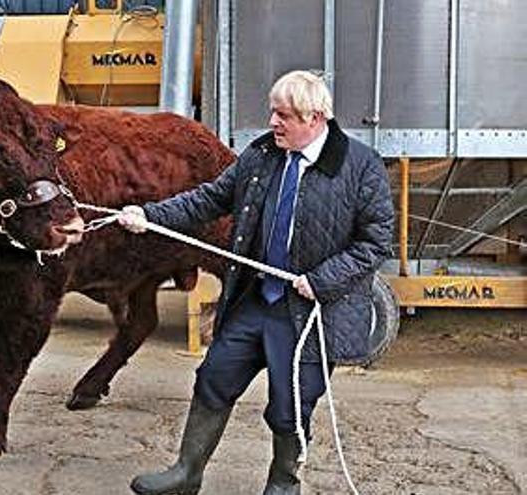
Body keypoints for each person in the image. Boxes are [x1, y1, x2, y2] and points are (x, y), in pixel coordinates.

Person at [120, 70, 394, 494]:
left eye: (283, 115)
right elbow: (210, 198)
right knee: (214, 377)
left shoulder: (359, 166)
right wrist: (150, 216)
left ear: (315, 118)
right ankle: (186, 473)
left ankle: (284, 484)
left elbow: (375, 243)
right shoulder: (262, 155)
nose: (273, 122)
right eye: (273, 112)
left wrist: (321, 281)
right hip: (257, 299)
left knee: (289, 407)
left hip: (310, 311)